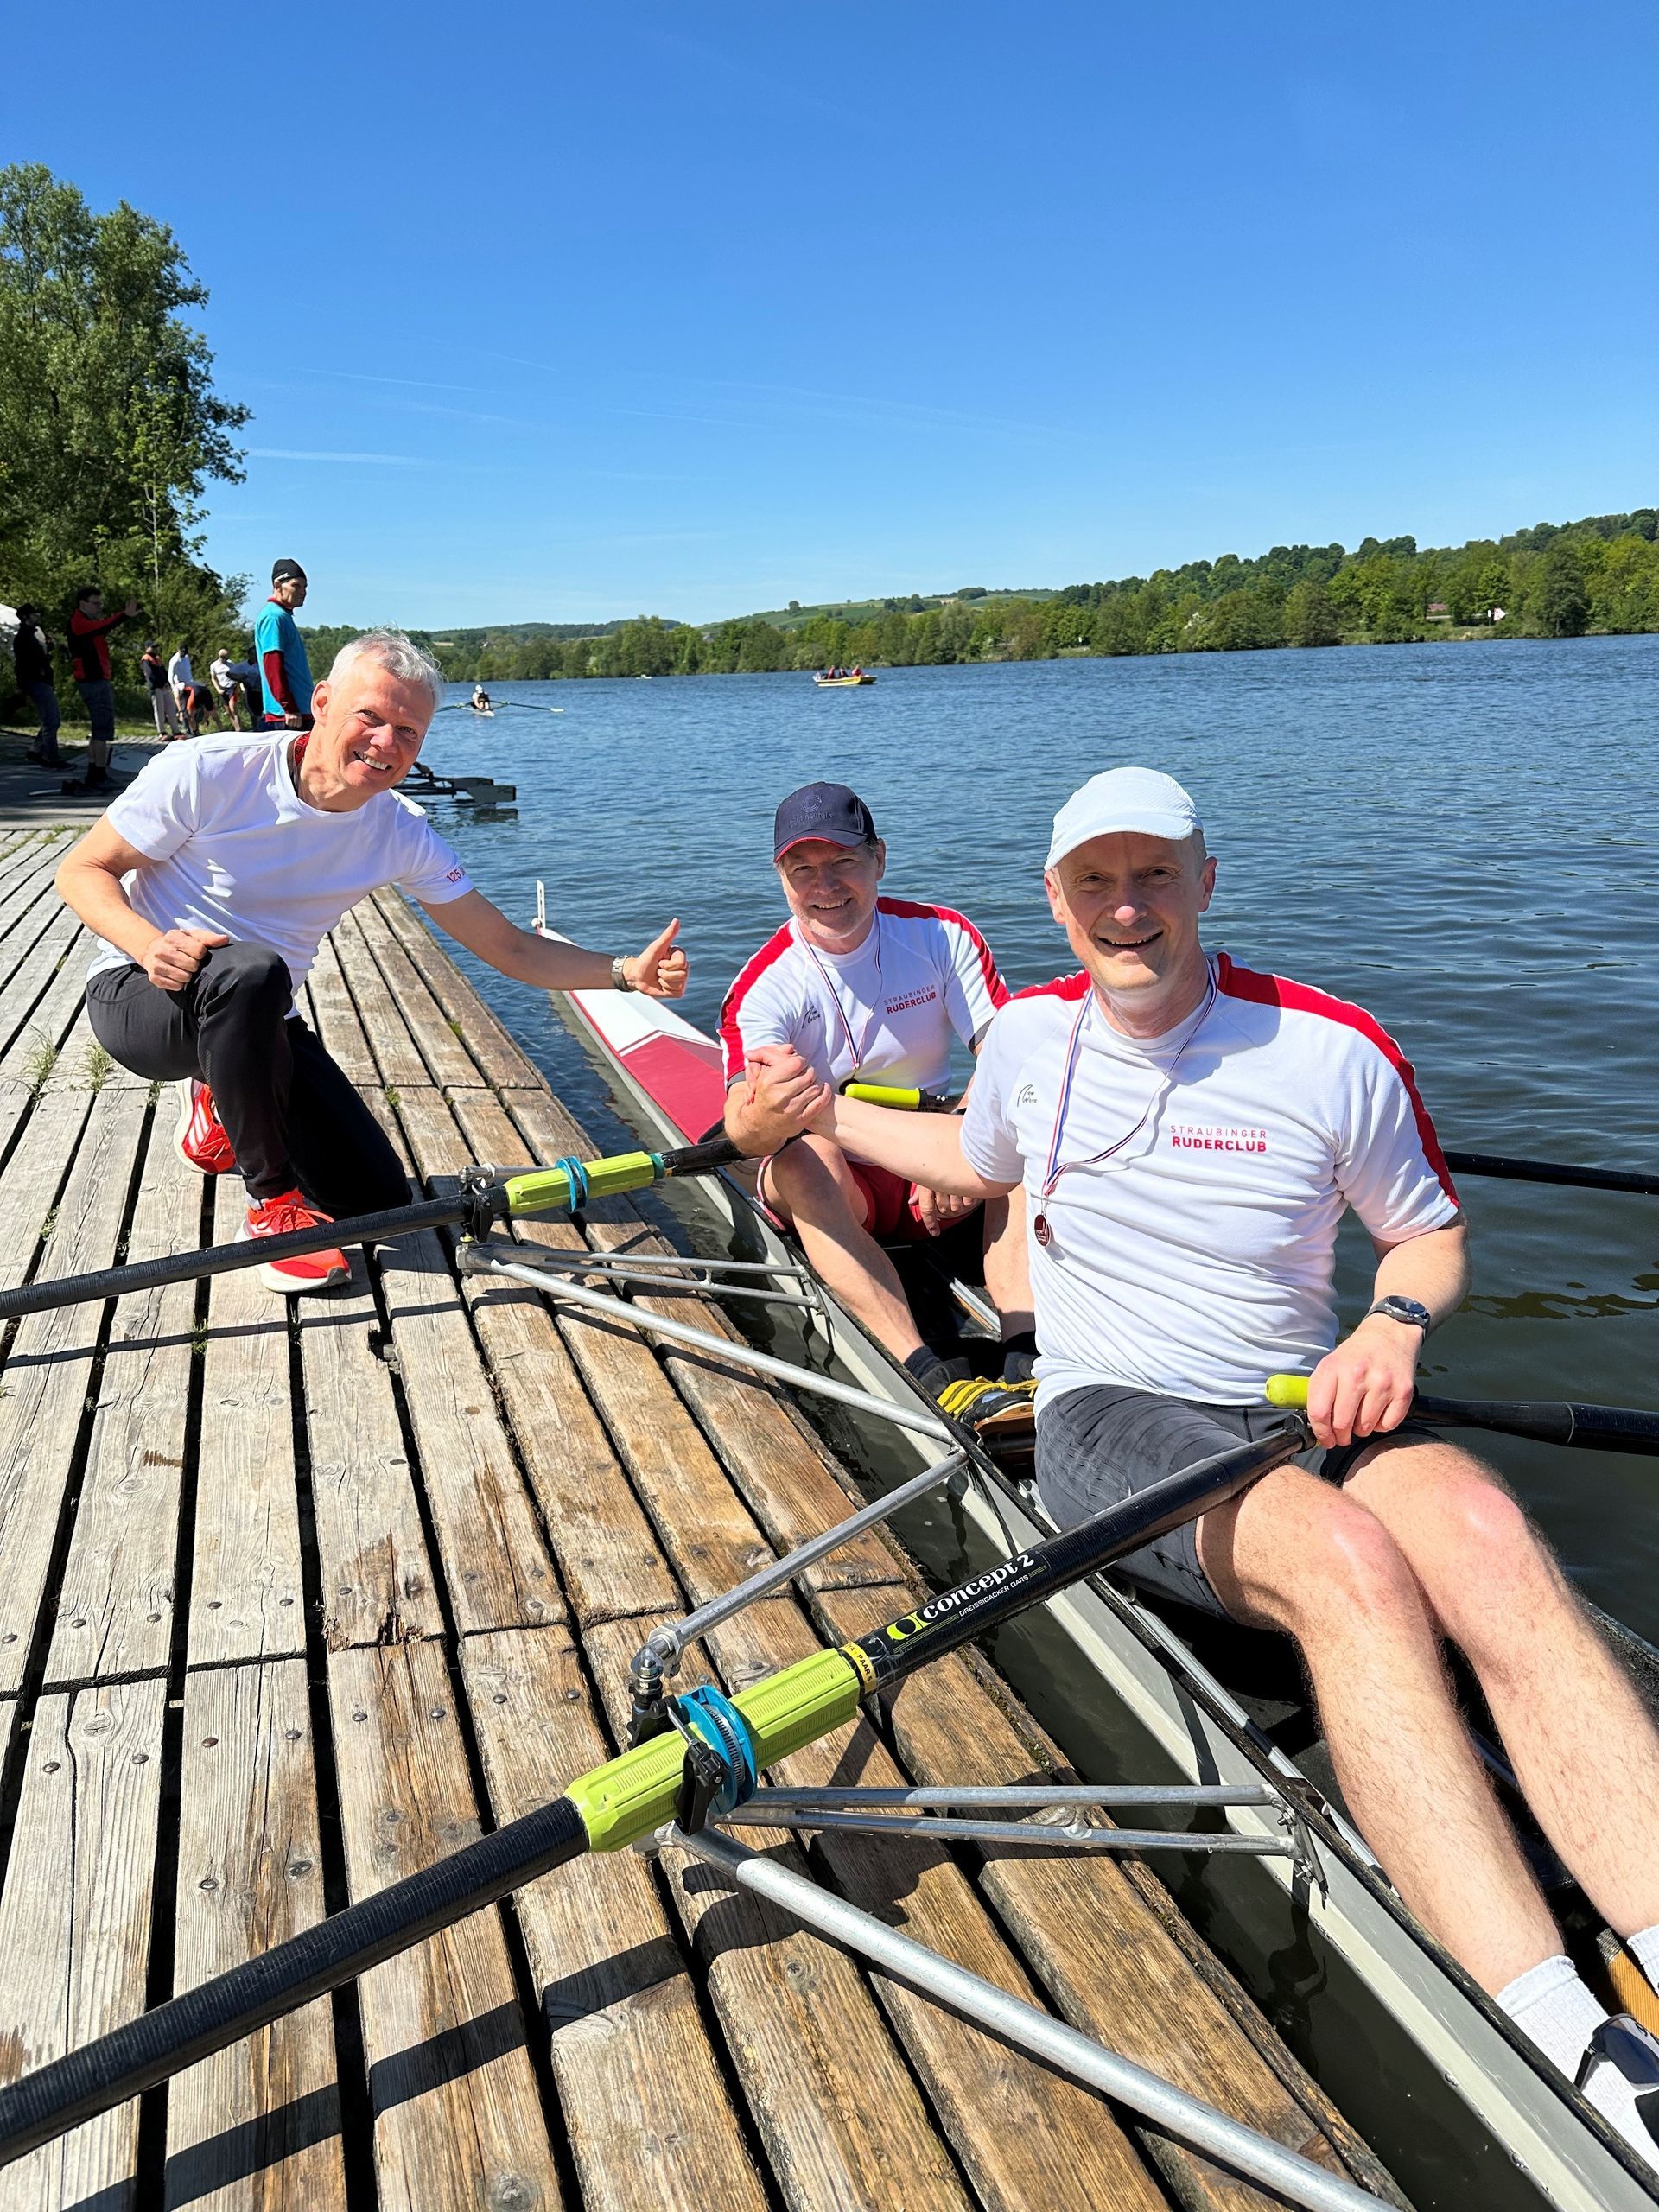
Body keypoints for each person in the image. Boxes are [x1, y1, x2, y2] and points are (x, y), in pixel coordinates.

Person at [739, 764, 1659, 2165]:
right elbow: (960, 1150)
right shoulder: (1031, 1042)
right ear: (1058, 903)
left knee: (1482, 1529)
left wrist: (1394, 1322)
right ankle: (1566, 2041)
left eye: (1155, 875)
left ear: (1205, 881)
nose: (1127, 908)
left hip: (1298, 1402)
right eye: (1096, 884)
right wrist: (793, 1124)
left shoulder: (1334, 1049)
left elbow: (1425, 1236)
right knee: (1352, 1569)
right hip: (1109, 1413)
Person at [57, 629, 689, 1296]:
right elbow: (83, 869)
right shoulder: (210, 770)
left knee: (373, 1200)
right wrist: (147, 944)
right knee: (254, 971)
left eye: (409, 732)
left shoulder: (398, 831)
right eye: (371, 717)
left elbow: (508, 946)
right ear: (322, 703)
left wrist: (624, 973)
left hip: (260, 1019)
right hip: (143, 993)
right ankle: (272, 1209)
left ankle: (219, 1104)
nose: (387, 743)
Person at [721, 780, 1032, 1404]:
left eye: (843, 862)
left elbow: (1012, 1061)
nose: (825, 886)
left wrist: (961, 1140)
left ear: (879, 859)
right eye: (803, 870)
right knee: (804, 1159)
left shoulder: (942, 936)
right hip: (842, 1182)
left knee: (1028, 1139)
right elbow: (739, 1129)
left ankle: (1026, 1349)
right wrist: (765, 1113)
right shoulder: (764, 987)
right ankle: (924, 1372)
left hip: (939, 1158)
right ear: (781, 878)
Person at [67, 585, 140, 794]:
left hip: (95, 681)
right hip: (93, 682)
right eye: (95, 603)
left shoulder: (85, 623)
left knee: (99, 730)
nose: (99, 608)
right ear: (83, 603)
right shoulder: (79, 622)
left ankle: (95, 773)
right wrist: (123, 616)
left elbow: (100, 628)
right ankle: (98, 775)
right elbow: (103, 626)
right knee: (102, 729)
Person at [254, 558, 313, 728]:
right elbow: (272, 664)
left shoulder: (283, 615)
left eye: (305, 587)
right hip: (287, 716)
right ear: (278, 585)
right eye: (296, 585)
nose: (303, 592)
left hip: (299, 711)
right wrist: (288, 707)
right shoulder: (273, 617)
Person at [12, 606, 64, 767]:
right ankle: (52, 758)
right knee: (52, 720)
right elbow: (21, 664)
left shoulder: (36, 634)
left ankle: (36, 750)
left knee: (52, 718)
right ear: (26, 617)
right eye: (35, 614)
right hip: (35, 681)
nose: (38, 616)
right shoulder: (24, 637)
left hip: (42, 680)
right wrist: (22, 686)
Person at [141, 642, 185, 739]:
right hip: (156, 687)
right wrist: (159, 684)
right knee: (159, 710)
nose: (155, 649)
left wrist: (167, 683)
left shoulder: (157, 659)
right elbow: (150, 674)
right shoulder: (146, 659)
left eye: (155, 647)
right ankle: (162, 731)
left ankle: (176, 730)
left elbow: (164, 672)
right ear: (147, 648)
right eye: (153, 647)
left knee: (171, 708)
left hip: (165, 687)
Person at [168, 644, 200, 735]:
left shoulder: (186, 658)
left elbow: (188, 671)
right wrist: (174, 687)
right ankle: (187, 729)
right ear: (179, 650)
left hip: (189, 684)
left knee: (191, 707)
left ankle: (194, 728)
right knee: (183, 708)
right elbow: (171, 675)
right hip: (180, 686)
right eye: (182, 651)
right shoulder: (174, 660)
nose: (184, 653)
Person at [207, 646, 244, 731]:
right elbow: (213, 678)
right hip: (223, 689)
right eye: (224, 657)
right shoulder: (214, 665)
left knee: (233, 708)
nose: (226, 659)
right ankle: (236, 728)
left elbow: (237, 675)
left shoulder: (231, 663)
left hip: (232, 687)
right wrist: (218, 688)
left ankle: (240, 730)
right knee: (229, 711)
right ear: (220, 657)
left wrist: (239, 686)